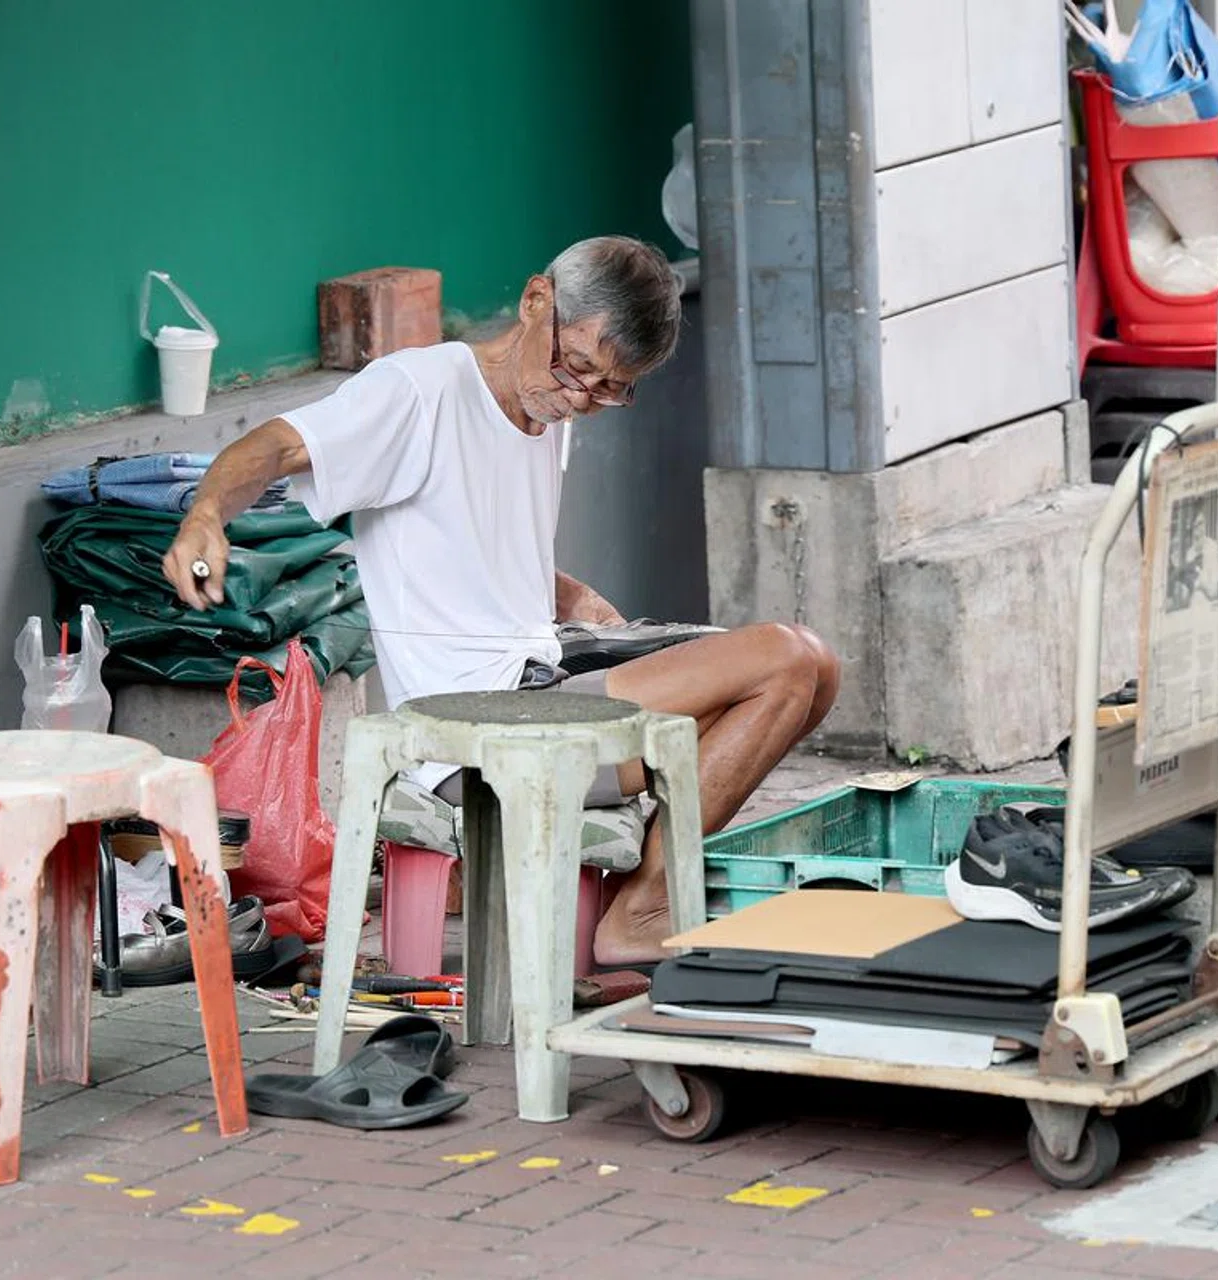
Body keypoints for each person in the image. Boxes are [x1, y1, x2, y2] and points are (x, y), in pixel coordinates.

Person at [163, 235, 839, 965]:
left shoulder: (547, 413)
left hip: (537, 687)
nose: (582, 397)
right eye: (577, 367)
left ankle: (625, 899)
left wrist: (572, 595)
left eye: (611, 389)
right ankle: (641, 909)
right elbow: (274, 446)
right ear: (535, 301)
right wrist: (205, 515)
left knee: (813, 679)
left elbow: (474, 544)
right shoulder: (420, 391)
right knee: (788, 657)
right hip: (471, 734)